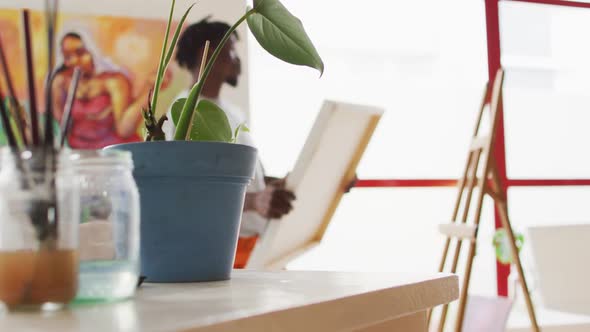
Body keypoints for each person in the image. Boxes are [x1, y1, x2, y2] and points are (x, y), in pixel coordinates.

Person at [162, 18, 296, 268]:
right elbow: (194, 193)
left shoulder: (231, 113)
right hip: (222, 254)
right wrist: (257, 202)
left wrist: (301, 182)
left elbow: (248, 181)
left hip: (257, 247)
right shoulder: (183, 116)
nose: (237, 60)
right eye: (232, 49)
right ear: (207, 54)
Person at [52, 32, 158, 149]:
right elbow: (62, 127)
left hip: (113, 153)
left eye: (80, 53)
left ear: (93, 51)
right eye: (67, 56)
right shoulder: (63, 82)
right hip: (80, 154)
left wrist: (150, 87)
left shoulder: (113, 81)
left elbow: (124, 129)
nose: (74, 61)